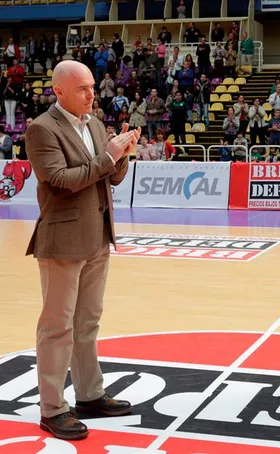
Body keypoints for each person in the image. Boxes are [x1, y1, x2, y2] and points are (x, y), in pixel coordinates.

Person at [25, 60, 140, 440]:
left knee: (88, 323)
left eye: (92, 86)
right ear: (58, 91)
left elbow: (110, 177)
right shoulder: (42, 129)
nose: (92, 94)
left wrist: (122, 154)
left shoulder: (94, 124)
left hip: (97, 236)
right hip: (62, 241)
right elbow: (61, 181)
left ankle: (89, 395)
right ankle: (52, 408)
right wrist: (107, 157)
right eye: (82, 89)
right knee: (57, 327)